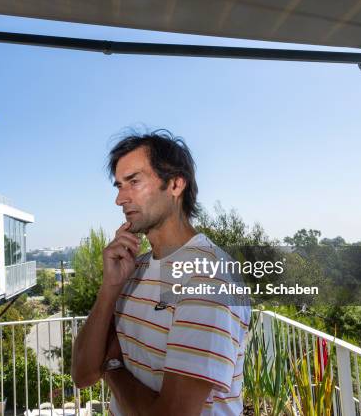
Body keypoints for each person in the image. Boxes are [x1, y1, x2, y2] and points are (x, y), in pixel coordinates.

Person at [71, 131, 250, 415]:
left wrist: (113, 368)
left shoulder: (208, 277)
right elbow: (83, 375)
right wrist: (110, 287)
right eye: (118, 186)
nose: (120, 199)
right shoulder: (134, 268)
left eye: (134, 182)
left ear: (176, 184)